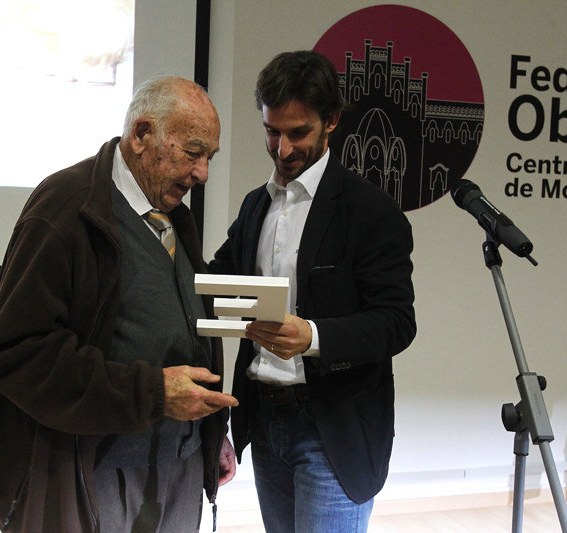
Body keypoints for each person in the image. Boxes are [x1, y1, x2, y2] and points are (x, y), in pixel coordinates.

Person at [0, 76, 238, 533]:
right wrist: (152, 393)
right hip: (93, 473)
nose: (203, 173)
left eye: (210, 156)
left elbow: (183, 334)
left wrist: (211, 435)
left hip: (180, 468)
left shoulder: (175, 215)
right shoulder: (66, 207)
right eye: (192, 152)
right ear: (142, 135)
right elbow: (15, 353)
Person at [207, 51, 416, 532]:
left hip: (334, 431)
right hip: (264, 420)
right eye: (271, 131)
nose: (282, 149)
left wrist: (313, 337)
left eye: (298, 133)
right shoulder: (255, 206)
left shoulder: (370, 211)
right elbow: (217, 281)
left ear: (332, 121)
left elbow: (396, 323)